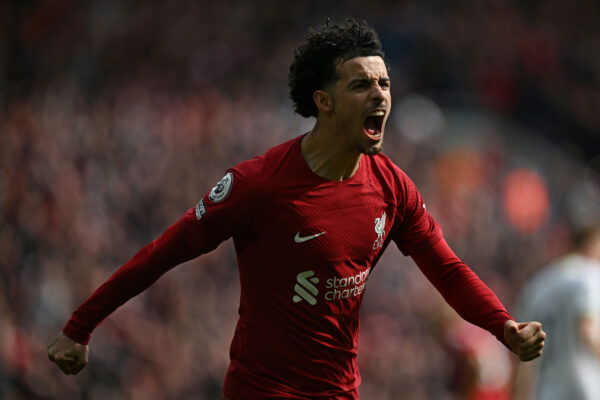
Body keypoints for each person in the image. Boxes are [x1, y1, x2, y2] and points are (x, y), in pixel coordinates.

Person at [47, 19, 546, 399]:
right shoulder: (258, 184)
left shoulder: (391, 186)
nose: (380, 95)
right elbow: (163, 252)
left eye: (385, 84)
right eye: (361, 85)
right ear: (323, 102)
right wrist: (80, 326)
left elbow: (449, 270)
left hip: (339, 392)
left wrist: (502, 326)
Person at [513, 225, 600, 400]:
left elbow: (522, 353)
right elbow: (587, 329)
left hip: (546, 391)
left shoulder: (537, 284)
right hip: (584, 388)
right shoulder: (589, 274)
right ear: (592, 244)